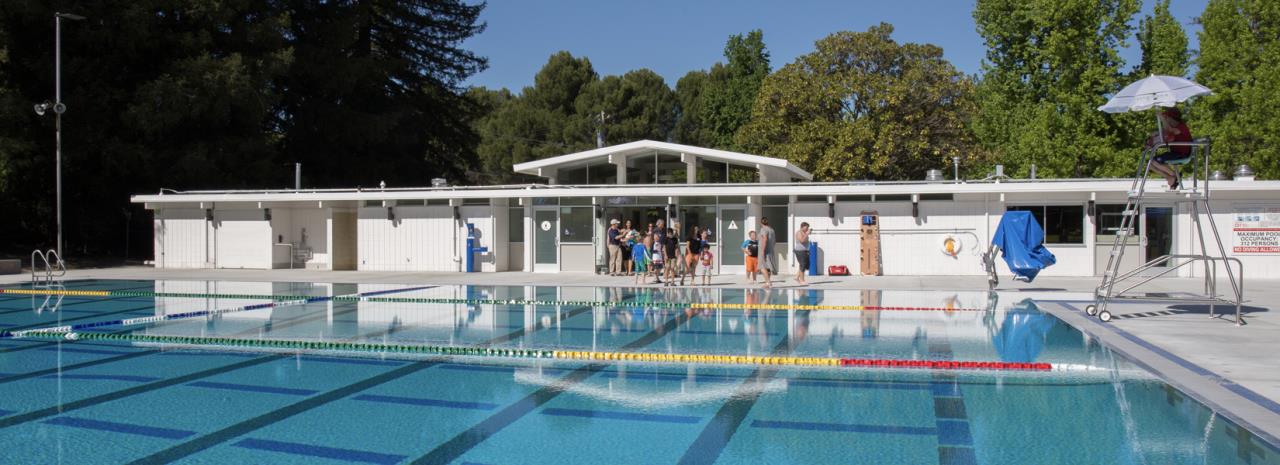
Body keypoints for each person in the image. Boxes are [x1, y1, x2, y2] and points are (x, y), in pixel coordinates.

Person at [1144, 107, 1193, 190]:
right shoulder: (1173, 128)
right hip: (1174, 153)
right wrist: (1153, 138)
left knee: (1154, 161)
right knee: (1150, 165)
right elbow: (1164, 133)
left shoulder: (1181, 127)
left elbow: (1169, 130)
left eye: (1166, 118)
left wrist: (1161, 118)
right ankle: (1171, 177)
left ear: (1170, 118)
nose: (1166, 121)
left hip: (1181, 154)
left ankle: (1175, 176)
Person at [758, 217, 777, 288]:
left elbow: (765, 239)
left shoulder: (763, 229)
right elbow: (775, 241)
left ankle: (768, 282)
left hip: (764, 250)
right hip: (770, 250)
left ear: (761, 223)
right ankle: (767, 282)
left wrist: (763, 251)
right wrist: (771, 248)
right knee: (768, 267)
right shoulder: (772, 230)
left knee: (762, 267)